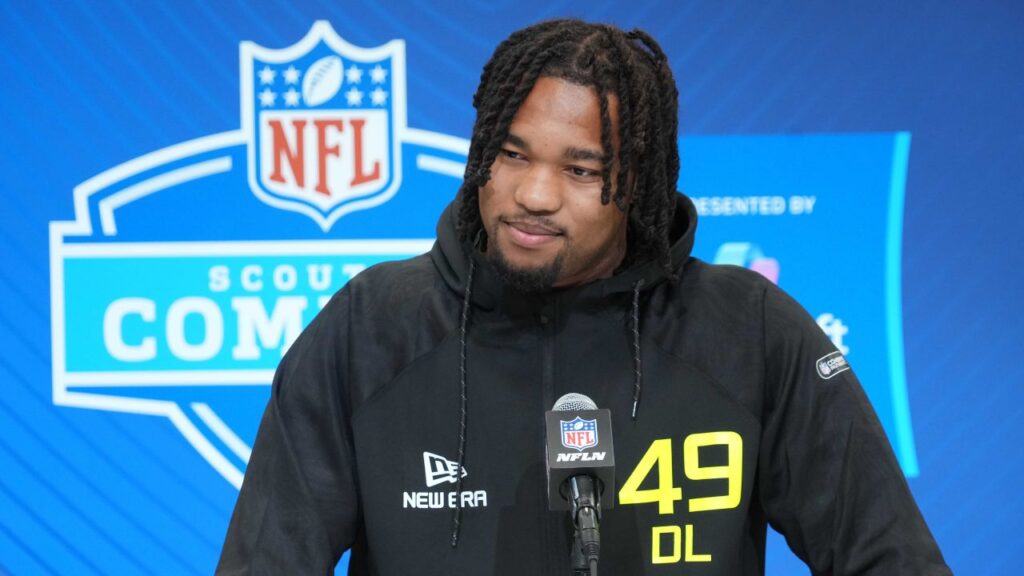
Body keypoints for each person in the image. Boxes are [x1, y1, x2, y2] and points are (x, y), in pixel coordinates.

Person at [218, 19, 951, 575]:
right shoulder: (372, 327)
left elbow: (890, 556)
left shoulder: (750, 333)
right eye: (511, 154)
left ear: (639, 184)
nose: (532, 195)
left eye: (581, 169)